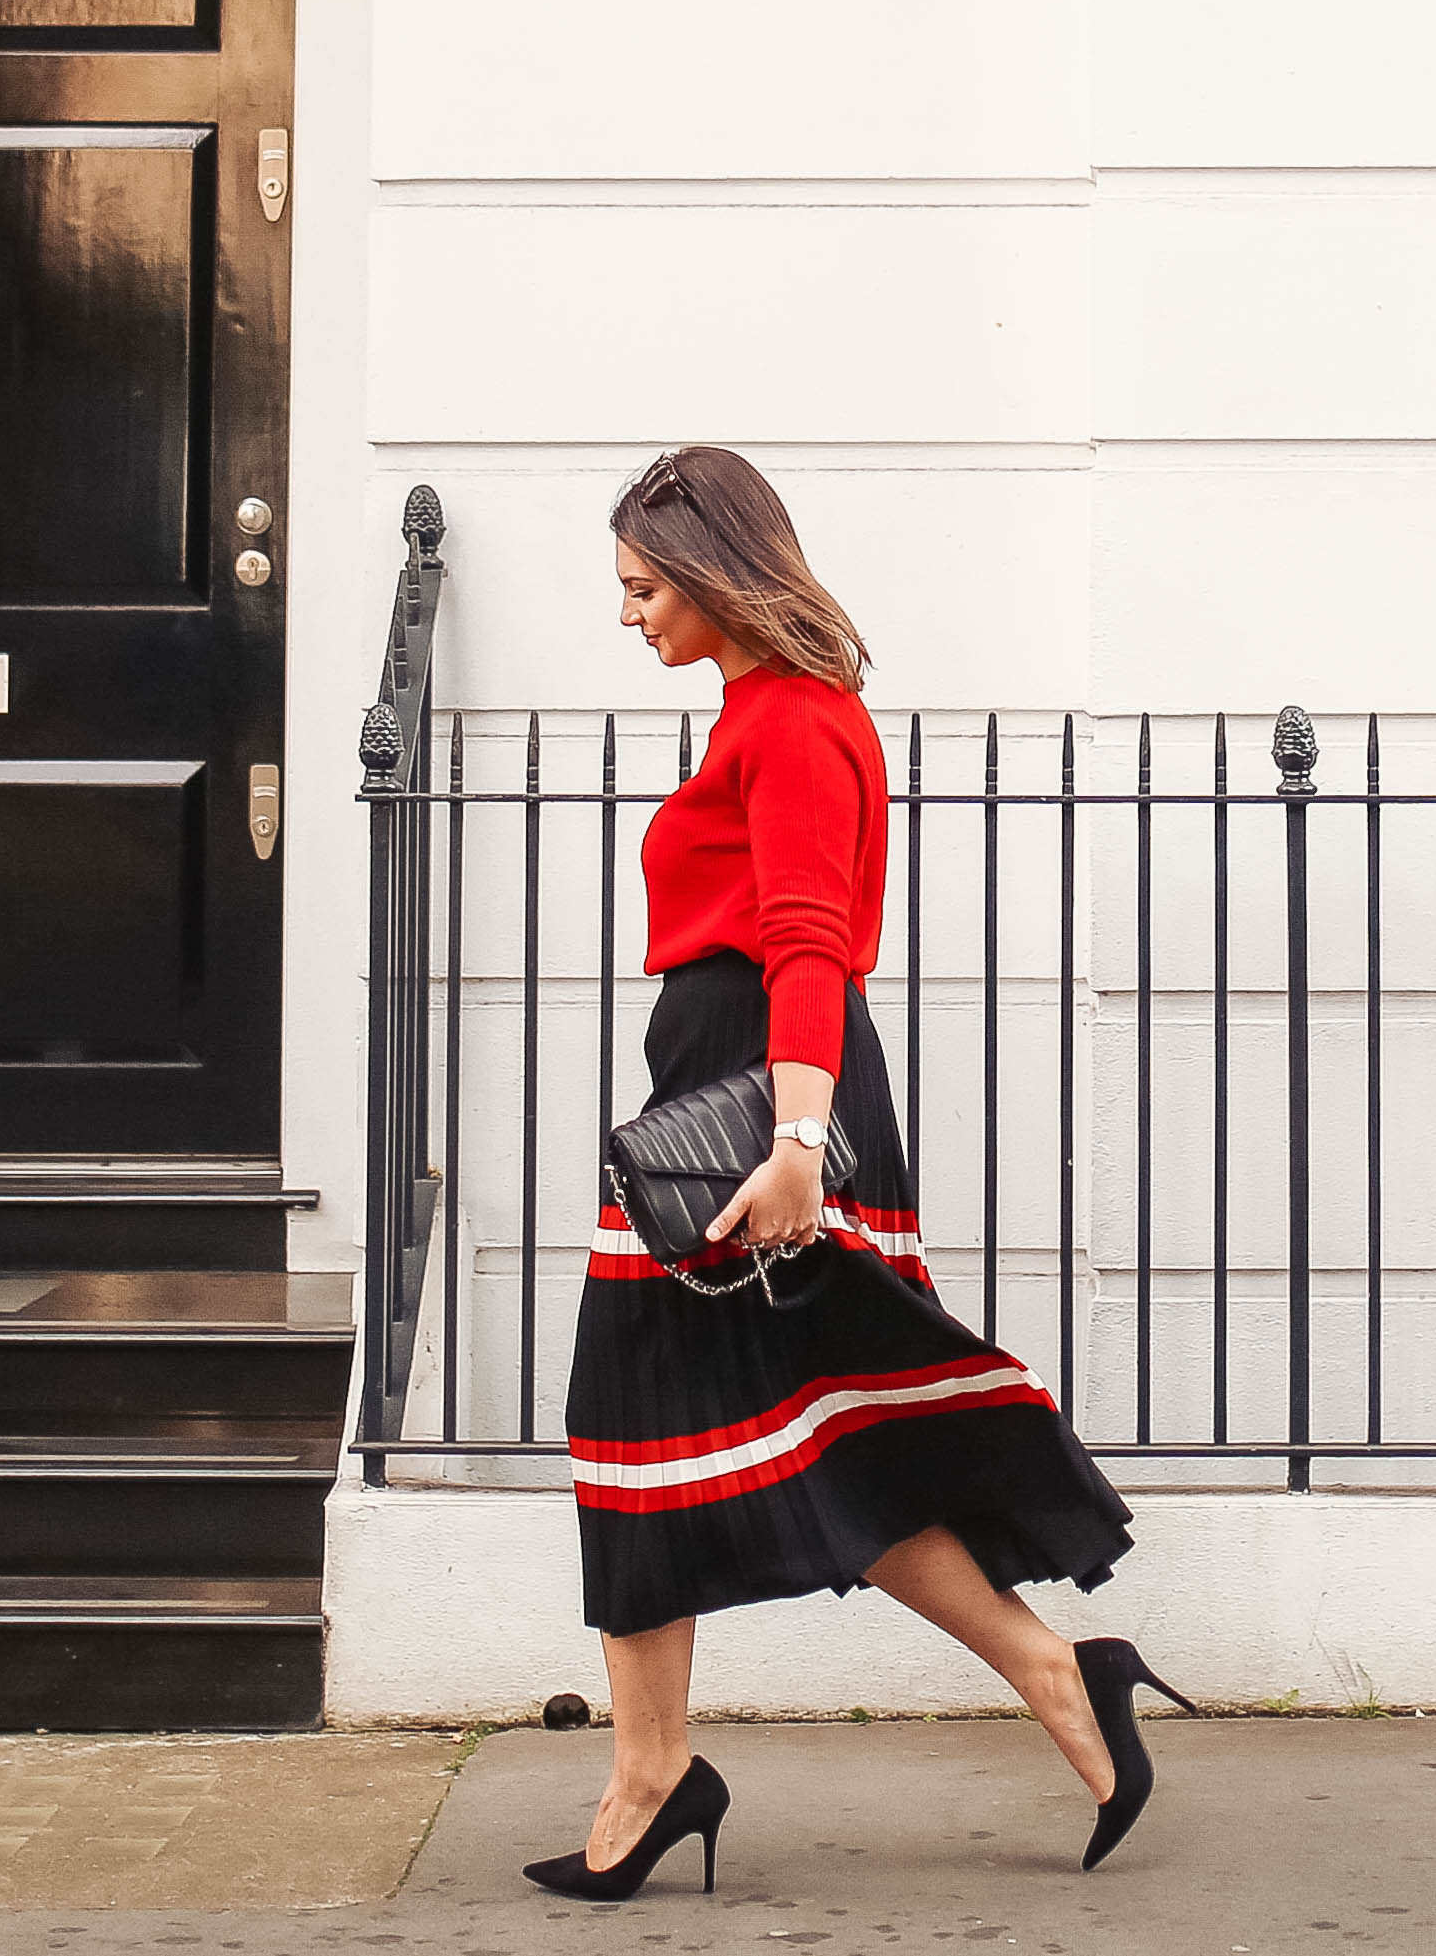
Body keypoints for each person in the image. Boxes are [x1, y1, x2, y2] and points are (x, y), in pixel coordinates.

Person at [526, 444, 1191, 1901]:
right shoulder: (751, 713)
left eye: (643, 585)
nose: (628, 612)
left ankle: (655, 1774)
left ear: (711, 569)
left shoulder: (800, 722)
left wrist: (794, 1147)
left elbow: (811, 939)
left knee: (640, 1409)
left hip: (764, 1101)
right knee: (828, 1430)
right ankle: (1058, 1675)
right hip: (730, 1092)